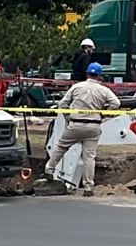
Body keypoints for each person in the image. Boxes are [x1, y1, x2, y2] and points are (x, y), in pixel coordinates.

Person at [42, 62, 119, 196]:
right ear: (100, 76)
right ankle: (88, 187)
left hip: (75, 123)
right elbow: (116, 103)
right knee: (89, 157)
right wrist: (104, 112)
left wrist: (67, 116)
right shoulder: (104, 90)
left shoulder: (77, 87)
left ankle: (49, 169)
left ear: (87, 73)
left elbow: (63, 103)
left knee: (60, 147)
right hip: (93, 126)